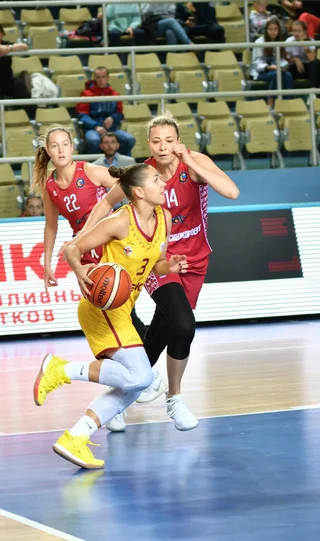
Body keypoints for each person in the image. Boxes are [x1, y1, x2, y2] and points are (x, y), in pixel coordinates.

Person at [85, 112, 239, 432]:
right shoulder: (143, 174)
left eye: (169, 140)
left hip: (195, 260)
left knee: (168, 329)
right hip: (160, 259)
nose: (163, 146)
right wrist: (82, 237)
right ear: (149, 144)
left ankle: (123, 394)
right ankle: (175, 399)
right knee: (183, 323)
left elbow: (231, 191)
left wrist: (192, 162)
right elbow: (105, 204)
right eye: (156, 141)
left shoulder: (194, 163)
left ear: (178, 141)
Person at [33, 164, 187, 469]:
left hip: (123, 310)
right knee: (140, 377)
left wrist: (167, 268)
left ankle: (76, 436)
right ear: (140, 192)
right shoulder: (119, 221)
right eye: (156, 179)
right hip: (101, 309)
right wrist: (79, 270)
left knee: (136, 382)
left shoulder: (164, 219)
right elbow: (73, 248)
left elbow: (154, 264)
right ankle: (60, 370)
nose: (163, 182)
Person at [32, 126, 153, 432]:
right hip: (85, 256)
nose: (61, 150)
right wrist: (47, 262)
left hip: (111, 247)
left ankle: (137, 381)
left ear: (73, 147)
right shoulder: (50, 187)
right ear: (47, 151)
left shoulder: (90, 171)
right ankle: (127, 391)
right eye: (55, 146)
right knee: (105, 324)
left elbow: (127, 188)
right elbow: (50, 226)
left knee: (123, 315)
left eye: (66, 144)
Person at [76, 67, 136, 157]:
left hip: (112, 129)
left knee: (129, 139)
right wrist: (95, 126)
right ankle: (96, 166)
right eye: (98, 77)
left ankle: (120, 163)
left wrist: (113, 118)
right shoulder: (86, 94)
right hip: (93, 129)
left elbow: (120, 114)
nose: (101, 80)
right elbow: (82, 115)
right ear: (94, 78)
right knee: (94, 141)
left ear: (108, 78)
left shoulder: (114, 94)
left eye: (103, 77)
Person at [250, 16, 293, 107]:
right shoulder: (259, 42)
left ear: (279, 30)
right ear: (266, 30)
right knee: (277, 74)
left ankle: (287, 103)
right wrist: (269, 67)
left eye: (275, 29)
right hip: (261, 72)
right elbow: (256, 63)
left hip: (276, 70)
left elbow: (283, 59)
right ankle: (270, 102)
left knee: (288, 76)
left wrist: (282, 66)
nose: (273, 32)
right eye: (270, 29)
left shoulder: (281, 42)